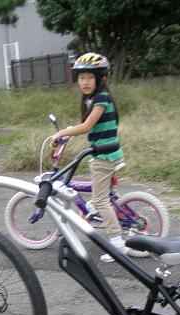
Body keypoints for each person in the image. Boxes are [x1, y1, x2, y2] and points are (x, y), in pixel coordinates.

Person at [51, 52, 148, 263]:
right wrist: (70, 130)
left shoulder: (101, 98)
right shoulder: (93, 99)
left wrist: (63, 133)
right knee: (105, 196)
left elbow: (87, 126)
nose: (84, 82)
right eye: (81, 78)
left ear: (101, 78)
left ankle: (116, 244)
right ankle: (105, 214)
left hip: (104, 156)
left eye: (90, 77)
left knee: (100, 200)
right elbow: (91, 127)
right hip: (107, 152)